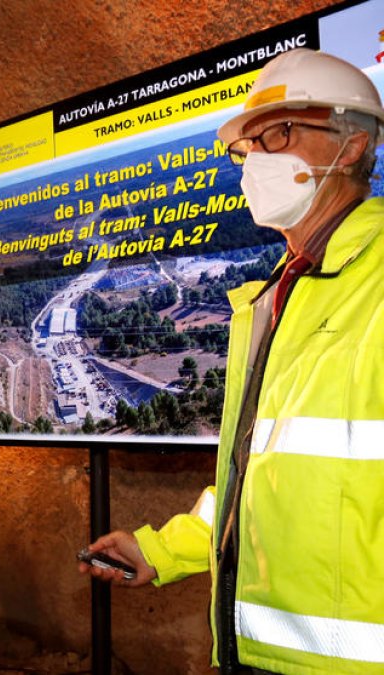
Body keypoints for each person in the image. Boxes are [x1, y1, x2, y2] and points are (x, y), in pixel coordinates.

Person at [80, 48, 384, 674]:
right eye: (247, 149)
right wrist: (163, 550)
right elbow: (262, 475)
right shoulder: (277, 294)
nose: (257, 164)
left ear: (353, 145)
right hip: (256, 656)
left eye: (279, 133)